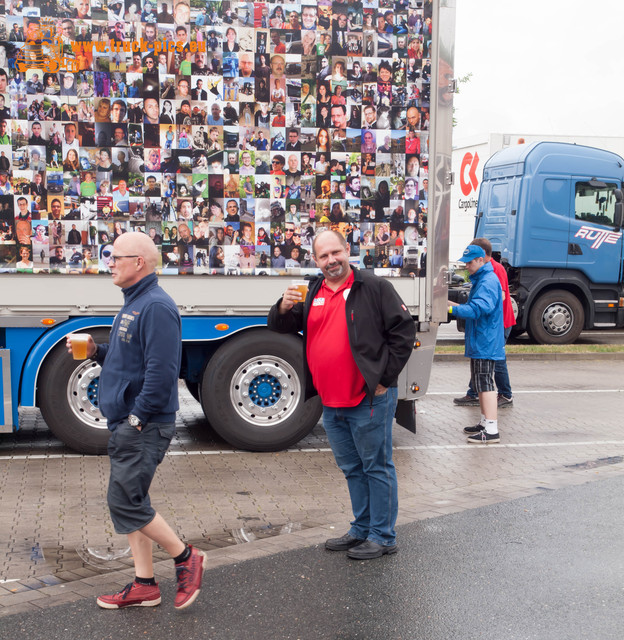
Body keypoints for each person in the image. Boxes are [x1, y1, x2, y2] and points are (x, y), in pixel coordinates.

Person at [65, 232, 206, 610]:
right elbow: (133, 360)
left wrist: (136, 420)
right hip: (129, 422)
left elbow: (162, 373)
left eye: (115, 256)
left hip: (142, 425)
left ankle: (185, 557)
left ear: (139, 262)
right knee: (134, 498)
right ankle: (145, 584)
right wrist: (97, 351)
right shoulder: (134, 303)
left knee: (123, 503)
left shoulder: (156, 307)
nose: (108, 261)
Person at [267, 230, 415, 559]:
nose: (331, 260)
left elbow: (404, 331)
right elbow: (282, 326)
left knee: (376, 466)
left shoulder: (373, 287)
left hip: (368, 398)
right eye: (323, 256)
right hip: (330, 401)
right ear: (315, 259)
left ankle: (383, 536)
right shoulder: (314, 288)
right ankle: (362, 529)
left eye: (336, 252)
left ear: (348, 250)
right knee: (352, 468)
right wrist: (283, 306)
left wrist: (384, 378)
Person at [448, 243, 505, 444]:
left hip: (485, 340)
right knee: (481, 382)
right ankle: (484, 422)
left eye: (470, 262)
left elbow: (478, 309)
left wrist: (451, 310)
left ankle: (491, 429)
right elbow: (474, 307)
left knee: (485, 383)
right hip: (482, 339)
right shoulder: (483, 279)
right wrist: (451, 305)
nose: (467, 266)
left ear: (481, 260)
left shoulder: (487, 281)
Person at [454, 238, 515, 409]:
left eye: (471, 259)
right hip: (491, 323)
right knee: (482, 364)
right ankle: (474, 393)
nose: (467, 265)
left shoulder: (495, 270)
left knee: (496, 360)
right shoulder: (484, 272)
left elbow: (498, 298)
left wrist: (457, 309)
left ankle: (505, 394)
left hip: (498, 323)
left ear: (482, 256)